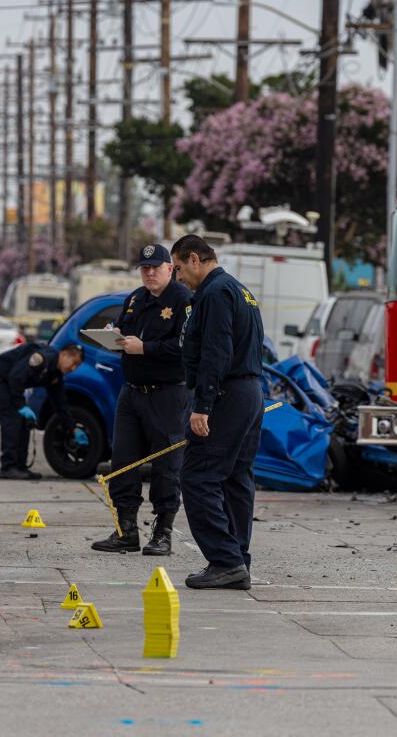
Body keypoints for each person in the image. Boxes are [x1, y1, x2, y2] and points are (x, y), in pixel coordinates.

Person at [170, 234, 265, 590]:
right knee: (236, 478)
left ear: (194, 259)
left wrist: (203, 406)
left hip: (226, 393)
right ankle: (237, 559)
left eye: (178, 268)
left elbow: (216, 352)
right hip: (249, 391)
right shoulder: (240, 290)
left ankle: (225, 560)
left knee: (198, 476)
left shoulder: (213, 293)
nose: (178, 277)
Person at [91, 243, 193, 556]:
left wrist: (145, 348)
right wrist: (115, 336)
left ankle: (162, 533)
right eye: (144, 268)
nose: (149, 273)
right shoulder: (136, 298)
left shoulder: (184, 301)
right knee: (122, 461)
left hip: (167, 393)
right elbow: (126, 330)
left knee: (166, 464)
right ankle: (126, 530)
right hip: (132, 391)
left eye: (155, 267)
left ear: (170, 268)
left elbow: (186, 348)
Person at [0, 341, 83, 480]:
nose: (73, 368)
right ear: (64, 354)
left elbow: (60, 404)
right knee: (12, 419)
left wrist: (73, 428)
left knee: (25, 421)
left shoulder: (55, 374)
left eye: (77, 366)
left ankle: (20, 467)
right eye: (73, 362)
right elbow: (16, 377)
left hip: (8, 382)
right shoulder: (44, 358)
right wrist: (21, 406)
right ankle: (8, 467)